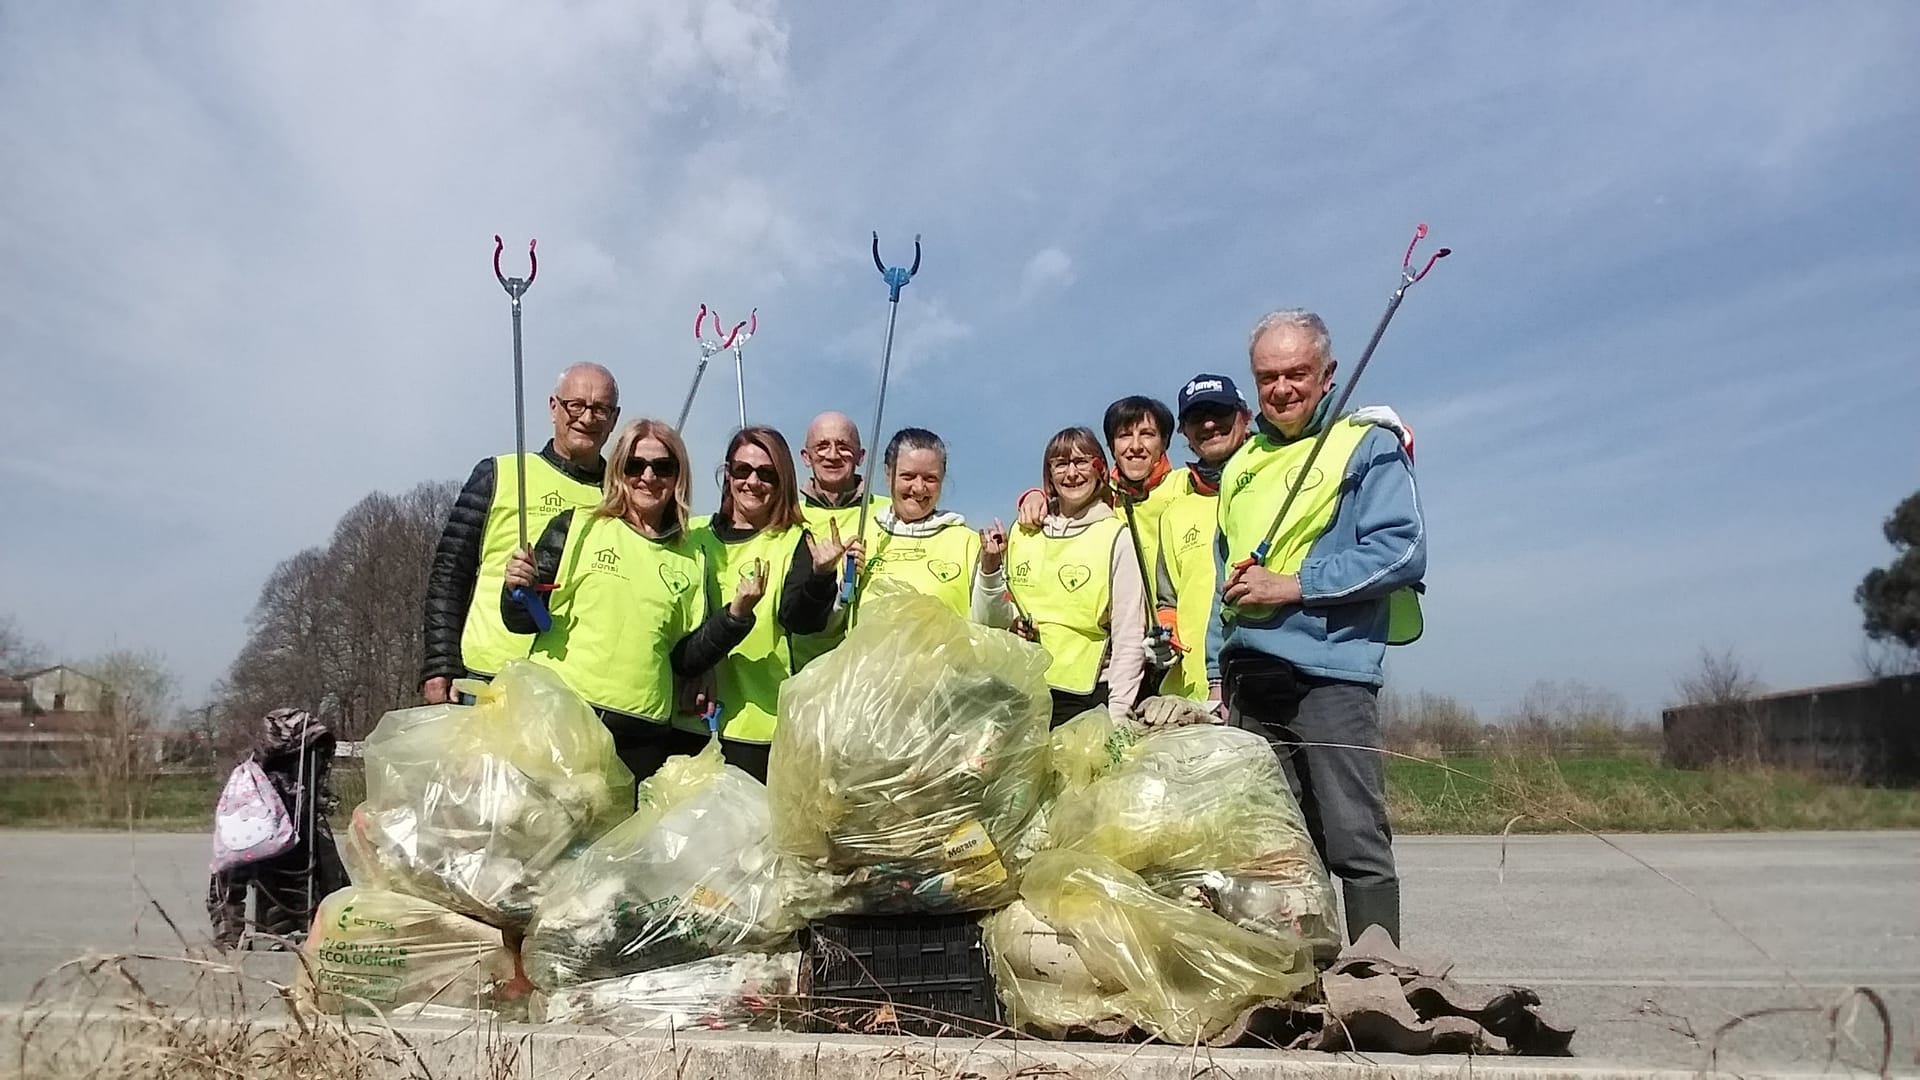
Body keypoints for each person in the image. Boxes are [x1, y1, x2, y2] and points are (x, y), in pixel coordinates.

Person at [1206, 309, 1426, 947]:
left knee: (1353, 836)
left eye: (1296, 373)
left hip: (1330, 675)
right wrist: (1219, 675)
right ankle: (1304, 978)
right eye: (1267, 376)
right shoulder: (1242, 464)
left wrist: (1295, 584)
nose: (1282, 388)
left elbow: (1400, 551)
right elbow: (1227, 576)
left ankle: (1376, 979)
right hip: (1250, 681)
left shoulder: (1367, 444)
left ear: (1327, 374)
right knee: (1276, 847)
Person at [502, 418, 764, 785]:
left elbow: (686, 659)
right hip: (560, 720)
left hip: (639, 736)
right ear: (619, 469)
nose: (648, 477)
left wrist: (735, 616)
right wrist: (515, 586)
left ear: (678, 477)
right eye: (635, 465)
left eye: (663, 467)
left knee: (611, 842)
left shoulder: (692, 555)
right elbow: (521, 618)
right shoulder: (576, 525)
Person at [420, 363, 619, 703]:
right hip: (487, 677)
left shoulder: (622, 497)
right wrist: (440, 663)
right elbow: (450, 574)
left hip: (572, 690)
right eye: (576, 405)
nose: (587, 418)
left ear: (614, 419)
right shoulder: (499, 474)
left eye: (600, 409)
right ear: (554, 407)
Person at [683, 426, 857, 780]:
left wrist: (822, 576)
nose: (753, 482)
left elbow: (801, 620)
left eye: (767, 474)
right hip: (686, 717)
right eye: (742, 470)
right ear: (727, 473)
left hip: (760, 725)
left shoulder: (795, 541)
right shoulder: (692, 535)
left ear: (783, 482)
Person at [979, 428, 1147, 727]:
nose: (1071, 473)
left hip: (1085, 696)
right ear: (1049, 474)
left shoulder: (1116, 535)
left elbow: (1129, 632)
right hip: (1019, 692)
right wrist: (992, 572)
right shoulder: (1023, 530)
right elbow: (996, 618)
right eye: (1060, 464)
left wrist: (1119, 712)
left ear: (1099, 469)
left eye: (1082, 462)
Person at [1151, 374, 1255, 701]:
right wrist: (1165, 640)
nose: (1209, 424)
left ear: (1245, 415)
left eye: (1219, 412)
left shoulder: (1274, 483)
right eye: (1197, 418)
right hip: (1194, 696)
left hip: (1265, 685)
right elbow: (1167, 601)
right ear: (1184, 432)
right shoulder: (1175, 512)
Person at [207, 708, 347, 949]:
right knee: (237, 863)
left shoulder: (267, 778)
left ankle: (233, 931)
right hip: (270, 840)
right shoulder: (262, 781)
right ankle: (233, 930)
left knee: (233, 865)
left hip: (264, 845)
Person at [850, 427, 990, 622]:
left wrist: (991, 574)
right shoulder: (859, 534)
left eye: (930, 478)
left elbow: (991, 624)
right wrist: (842, 582)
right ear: (888, 474)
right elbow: (832, 624)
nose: (918, 488)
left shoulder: (968, 543)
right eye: (908, 476)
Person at [791, 412, 890, 669]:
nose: (833, 455)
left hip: (874, 671)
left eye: (844, 446)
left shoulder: (889, 513)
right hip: (804, 670)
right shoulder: (788, 517)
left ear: (860, 456)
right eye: (822, 446)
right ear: (806, 457)